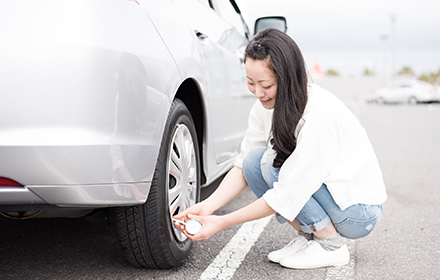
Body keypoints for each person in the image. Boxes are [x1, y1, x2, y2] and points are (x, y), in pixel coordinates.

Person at [173, 28, 387, 269]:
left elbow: (290, 191)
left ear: (288, 77)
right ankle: (310, 237)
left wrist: (221, 222)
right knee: (256, 160)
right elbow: (244, 164)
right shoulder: (266, 105)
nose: (257, 93)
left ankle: (330, 245)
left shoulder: (318, 116)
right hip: (332, 196)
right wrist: (209, 205)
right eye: (250, 82)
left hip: (357, 213)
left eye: (265, 84)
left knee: (271, 163)